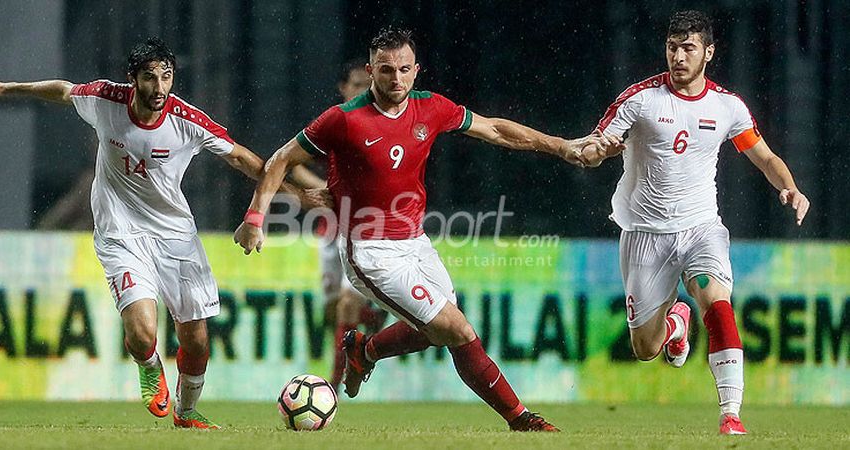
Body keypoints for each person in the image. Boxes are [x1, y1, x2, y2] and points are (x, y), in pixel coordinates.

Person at [234, 27, 609, 432]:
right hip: (369, 250)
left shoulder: (430, 108)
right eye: (385, 70)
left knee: (438, 333)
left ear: (417, 71)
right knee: (457, 328)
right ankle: (521, 419)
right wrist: (257, 217)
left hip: (415, 242)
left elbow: (495, 129)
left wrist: (562, 146)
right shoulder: (343, 120)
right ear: (370, 71)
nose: (395, 80)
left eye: (404, 70)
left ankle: (366, 350)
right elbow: (280, 159)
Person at [0, 37, 321, 429]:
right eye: (150, 78)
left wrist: (293, 194)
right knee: (142, 333)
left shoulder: (187, 120)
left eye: (166, 77)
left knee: (197, 342)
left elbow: (241, 157)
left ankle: (186, 413)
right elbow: (64, 90)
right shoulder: (106, 99)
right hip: (120, 232)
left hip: (176, 237)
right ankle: (149, 367)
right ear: (132, 79)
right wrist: (8, 88)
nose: (159, 88)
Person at [582, 10, 810, 435]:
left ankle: (731, 415)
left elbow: (764, 156)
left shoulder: (727, 107)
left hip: (701, 227)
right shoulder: (641, 99)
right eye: (672, 47)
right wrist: (596, 151)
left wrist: (790, 187)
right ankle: (674, 323)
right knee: (645, 347)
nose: (678, 56)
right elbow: (600, 141)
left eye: (688, 48)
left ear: (708, 52)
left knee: (719, 304)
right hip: (645, 234)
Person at [289, 59, 387, 388]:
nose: (363, 91)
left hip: (362, 229)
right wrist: (320, 190)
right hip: (329, 230)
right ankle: (374, 317)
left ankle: (335, 384)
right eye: (357, 84)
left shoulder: (379, 125)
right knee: (333, 311)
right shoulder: (332, 125)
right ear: (343, 88)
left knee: (347, 305)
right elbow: (293, 166)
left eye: (367, 84)